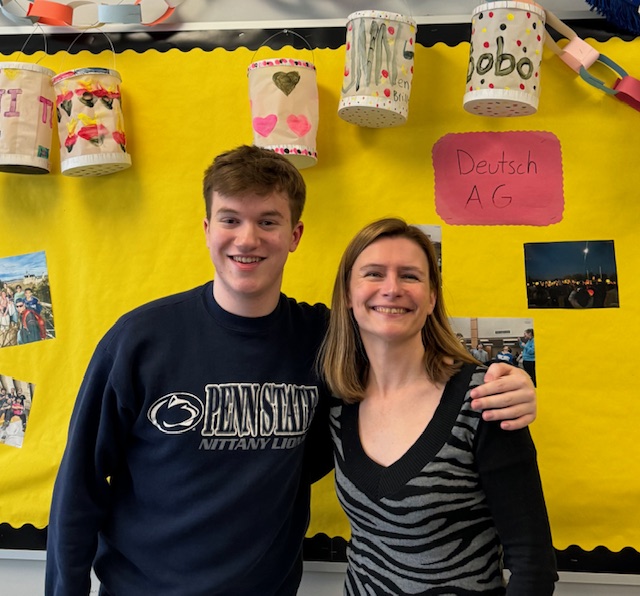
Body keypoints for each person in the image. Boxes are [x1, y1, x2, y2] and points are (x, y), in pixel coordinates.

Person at [46, 146, 538, 596]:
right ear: (207, 229)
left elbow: (411, 359)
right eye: (230, 219)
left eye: (268, 221)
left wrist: (511, 381)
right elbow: (80, 484)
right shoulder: (140, 340)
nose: (247, 238)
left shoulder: (326, 341)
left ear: (294, 235)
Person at [321, 218, 557, 595]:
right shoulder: (337, 399)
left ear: (431, 298)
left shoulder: (484, 401)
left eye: (410, 276)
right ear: (348, 294)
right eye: (374, 273)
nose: (392, 289)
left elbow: (533, 565)